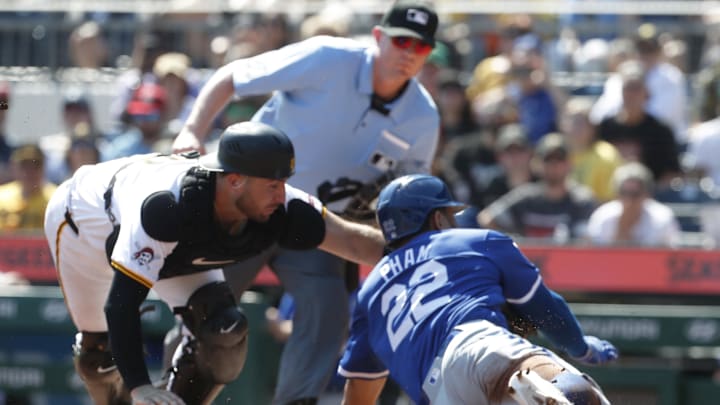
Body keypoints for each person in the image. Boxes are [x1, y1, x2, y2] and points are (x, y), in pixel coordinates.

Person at [171, 1, 441, 402]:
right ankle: (176, 392)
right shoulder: (328, 57)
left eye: (419, 47)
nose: (408, 52)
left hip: (315, 219)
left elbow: (405, 195)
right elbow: (231, 76)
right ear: (379, 37)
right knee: (204, 310)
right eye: (401, 40)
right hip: (247, 201)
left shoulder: (423, 117)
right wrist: (192, 129)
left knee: (327, 311)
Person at [43, 121, 385, 405]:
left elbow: (354, 242)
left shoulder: (280, 203)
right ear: (234, 180)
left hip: (168, 248)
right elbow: (121, 306)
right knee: (98, 355)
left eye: (283, 182)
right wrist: (140, 387)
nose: (281, 194)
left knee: (226, 329)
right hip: (82, 223)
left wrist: (426, 250)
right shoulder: (167, 208)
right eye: (272, 185)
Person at [338, 174, 617, 405]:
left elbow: (359, 392)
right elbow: (546, 308)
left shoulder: (370, 291)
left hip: (435, 395)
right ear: (437, 219)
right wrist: (580, 348)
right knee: (573, 394)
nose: (454, 221)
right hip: (474, 345)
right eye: (450, 214)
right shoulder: (474, 241)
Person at [586, 161, 681, 247]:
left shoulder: (662, 217)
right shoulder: (603, 216)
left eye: (635, 194)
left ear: (647, 194)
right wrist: (622, 229)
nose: (629, 200)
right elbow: (595, 257)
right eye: (623, 193)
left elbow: (670, 255)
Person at [0, 144, 57, 231]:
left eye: (36, 166)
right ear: (14, 167)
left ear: (44, 168)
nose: (30, 172)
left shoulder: (56, 198)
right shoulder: (2, 197)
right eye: (25, 166)